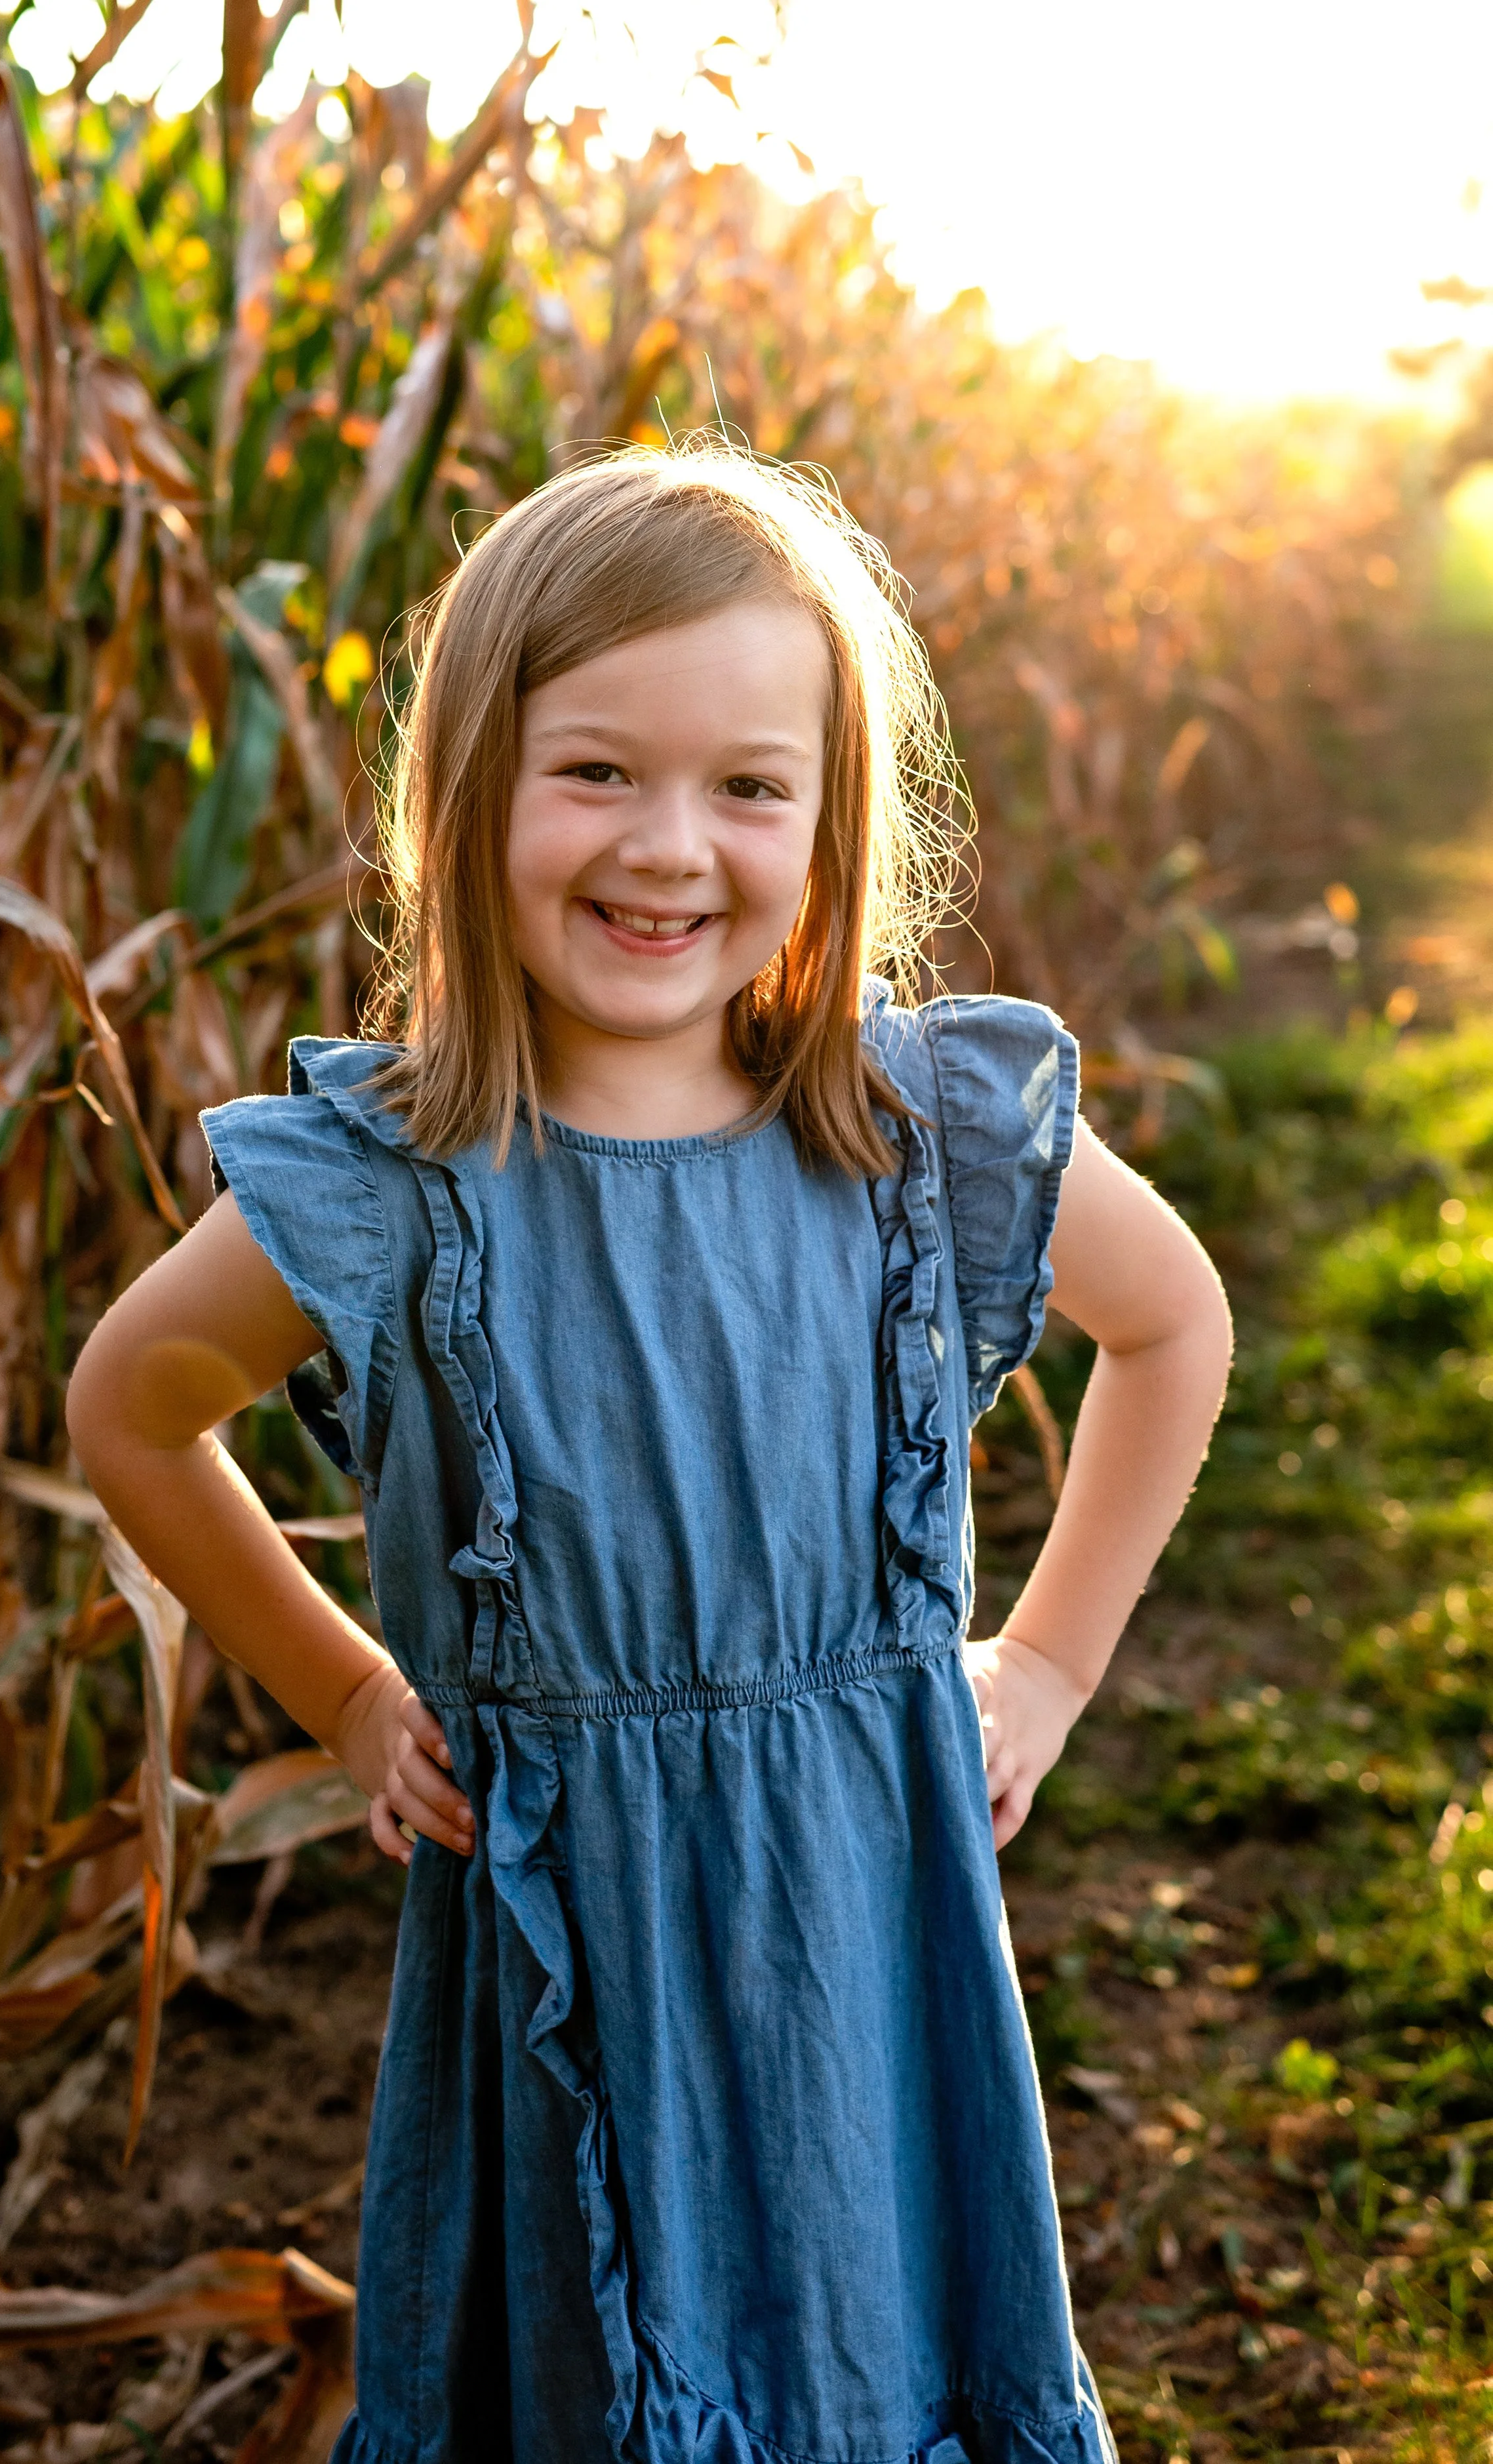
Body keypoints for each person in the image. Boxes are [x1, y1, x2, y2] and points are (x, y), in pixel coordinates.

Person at [67, 443, 1231, 2464]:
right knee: (583, 2375)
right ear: (469, 792)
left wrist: (1037, 1663)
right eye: (594, 770)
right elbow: (131, 1402)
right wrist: (347, 1695)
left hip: (855, 1900)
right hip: (567, 1933)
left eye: (746, 785)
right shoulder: (388, 1182)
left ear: (828, 815)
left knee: (868, 2353)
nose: (668, 845)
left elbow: (1173, 1319)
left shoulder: (907, 1125)